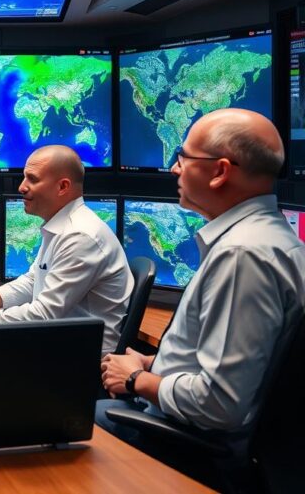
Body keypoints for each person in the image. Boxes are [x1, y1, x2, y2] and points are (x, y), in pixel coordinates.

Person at [98, 109, 305, 479]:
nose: (175, 169)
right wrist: (154, 365)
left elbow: (220, 403)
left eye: (184, 157)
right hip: (184, 427)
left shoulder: (243, 256)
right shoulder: (268, 240)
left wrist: (136, 379)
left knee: (47, 425)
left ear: (220, 172)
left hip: (186, 447)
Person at [0, 145, 133, 355]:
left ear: (62, 187)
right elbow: (34, 281)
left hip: (79, 362)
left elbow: (44, 315)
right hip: (56, 346)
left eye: (32, 179)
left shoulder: (80, 236)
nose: (21, 187)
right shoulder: (63, 226)